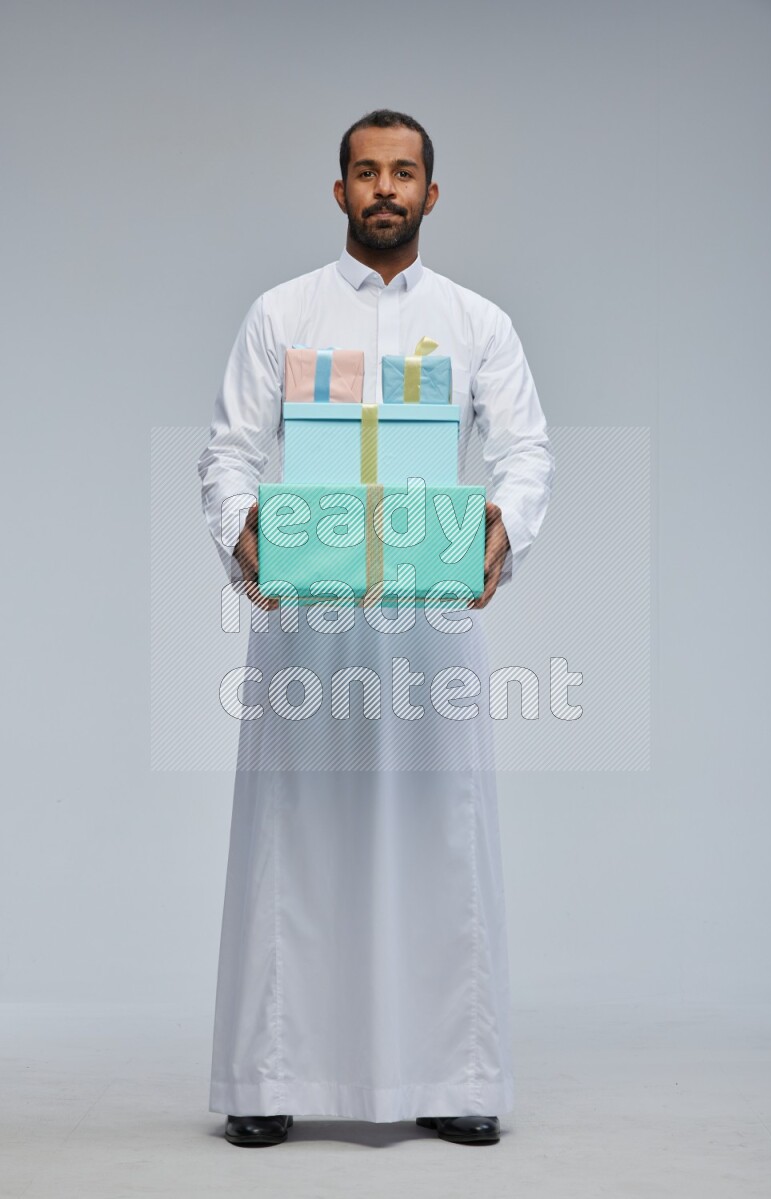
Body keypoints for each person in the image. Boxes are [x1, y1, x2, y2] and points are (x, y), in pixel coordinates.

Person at [197, 109, 555, 1148]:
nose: (384, 188)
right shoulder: (283, 314)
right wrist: (241, 530)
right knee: (291, 835)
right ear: (339, 190)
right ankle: (266, 1074)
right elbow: (228, 448)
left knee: (436, 830)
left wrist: (501, 522)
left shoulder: (475, 321)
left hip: (427, 617)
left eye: (403, 173)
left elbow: (524, 448)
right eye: (365, 172)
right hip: (307, 621)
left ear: (430, 194)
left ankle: (453, 1072)